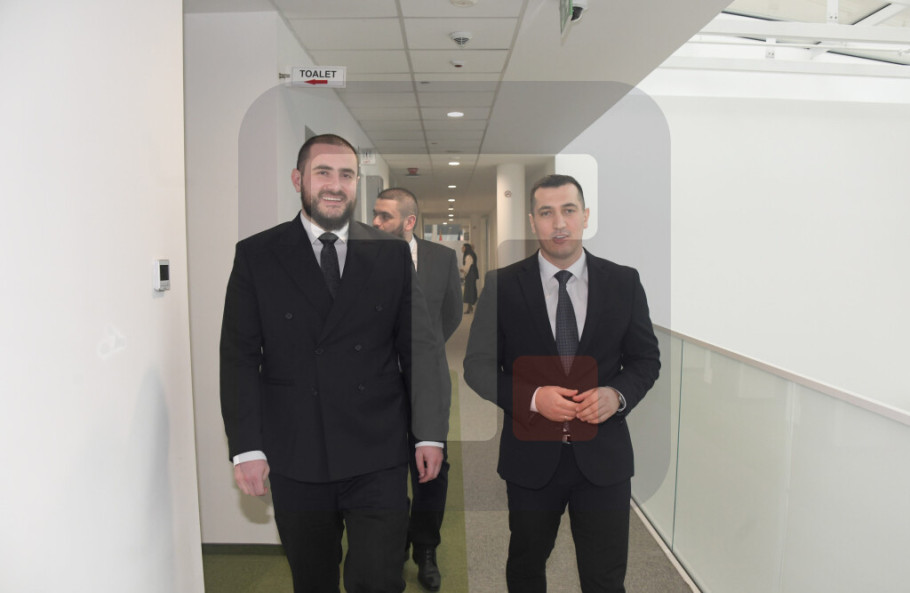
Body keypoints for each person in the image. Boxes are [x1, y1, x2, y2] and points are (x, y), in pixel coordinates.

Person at [220, 134, 450, 593]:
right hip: (296, 449)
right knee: (313, 579)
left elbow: (420, 349)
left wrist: (429, 432)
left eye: (346, 175)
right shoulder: (258, 254)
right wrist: (246, 447)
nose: (335, 184)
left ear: (356, 184)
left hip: (376, 447)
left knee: (379, 578)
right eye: (322, 172)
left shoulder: (390, 253)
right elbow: (239, 356)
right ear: (298, 179)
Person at [463, 174, 660, 593]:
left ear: (585, 216)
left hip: (603, 458)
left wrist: (617, 395)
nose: (558, 223)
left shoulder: (623, 282)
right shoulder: (502, 285)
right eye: (546, 213)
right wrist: (533, 398)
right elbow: (477, 367)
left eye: (568, 211)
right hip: (532, 459)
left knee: (605, 577)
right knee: (526, 568)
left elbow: (645, 360)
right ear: (532, 221)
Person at [372, 187, 462, 592]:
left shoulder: (441, 258)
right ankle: (392, 547)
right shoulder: (362, 257)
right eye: (375, 214)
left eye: (385, 217)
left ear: (409, 222)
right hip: (377, 386)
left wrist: (422, 354)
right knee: (384, 472)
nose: (376, 223)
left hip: (429, 383)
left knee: (431, 472)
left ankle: (426, 548)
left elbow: (452, 314)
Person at [461, 243, 479, 314]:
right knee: (470, 290)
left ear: (466, 248)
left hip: (470, 275)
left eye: (463, 247)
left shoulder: (468, 256)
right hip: (472, 274)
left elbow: (467, 267)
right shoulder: (471, 254)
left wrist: (463, 269)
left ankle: (469, 308)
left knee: (469, 291)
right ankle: (470, 307)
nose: (462, 249)